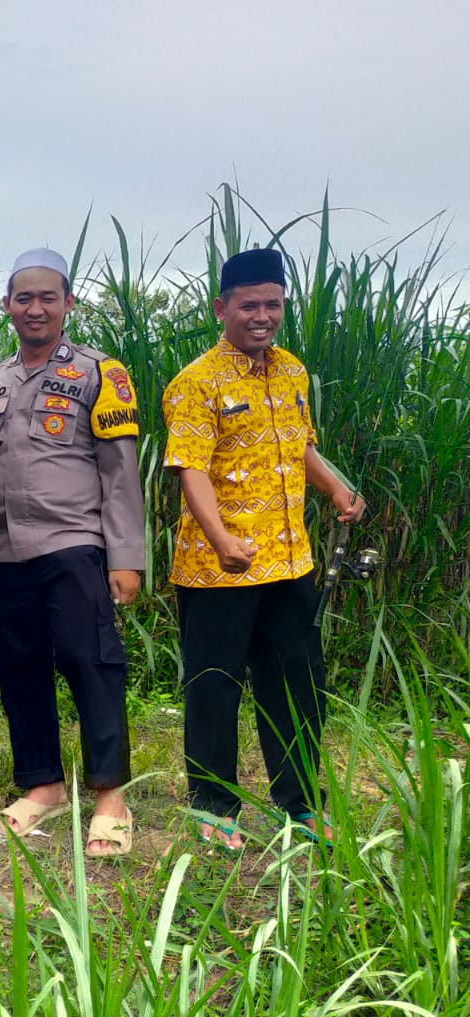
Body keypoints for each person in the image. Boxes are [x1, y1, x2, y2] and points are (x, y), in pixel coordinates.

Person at [161, 247, 364, 849]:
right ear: (221, 308)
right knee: (214, 685)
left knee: (296, 683)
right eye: (248, 305)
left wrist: (335, 487)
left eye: (272, 304)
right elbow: (189, 469)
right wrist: (221, 538)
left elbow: (298, 445)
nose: (262, 316)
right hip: (216, 567)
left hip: (289, 559)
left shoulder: (293, 371)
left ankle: (299, 803)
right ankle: (213, 806)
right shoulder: (196, 382)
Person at [0, 249, 143, 857]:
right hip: (3, 552)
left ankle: (110, 795)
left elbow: (119, 473)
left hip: (74, 544)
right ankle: (43, 786)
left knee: (92, 663)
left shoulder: (99, 373)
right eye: (23, 298)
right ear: (6, 306)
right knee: (19, 670)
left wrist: (126, 556)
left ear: (68, 304)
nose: (35, 308)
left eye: (47, 298)